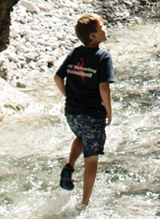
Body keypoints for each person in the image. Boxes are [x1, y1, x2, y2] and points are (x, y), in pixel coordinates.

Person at [53, 13, 114, 205]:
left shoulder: (74, 53)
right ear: (92, 36)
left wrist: (68, 96)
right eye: (102, 27)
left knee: (80, 136)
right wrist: (109, 111)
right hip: (93, 113)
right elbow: (104, 87)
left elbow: (57, 78)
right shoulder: (103, 57)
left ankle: (69, 166)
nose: (105, 29)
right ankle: (85, 202)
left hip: (72, 112)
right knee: (91, 158)